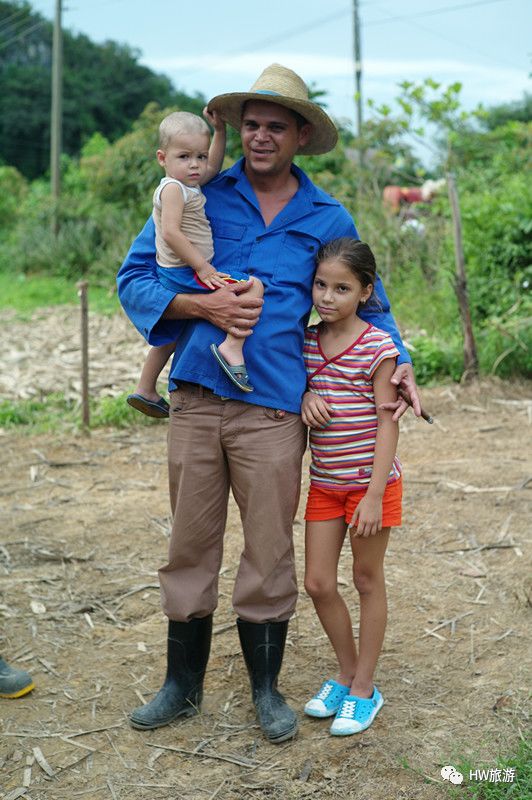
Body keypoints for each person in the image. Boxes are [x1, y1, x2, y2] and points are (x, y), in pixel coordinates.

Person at [117, 63, 421, 744]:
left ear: (299, 134)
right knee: (188, 544)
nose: (259, 136)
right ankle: (180, 685)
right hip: (196, 398)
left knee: (268, 549)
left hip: (276, 411)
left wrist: (400, 364)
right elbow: (134, 278)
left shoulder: (327, 216)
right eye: (250, 123)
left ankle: (265, 688)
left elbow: (377, 306)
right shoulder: (198, 192)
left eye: (274, 125)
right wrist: (202, 303)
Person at [301, 238, 401, 736]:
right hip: (324, 483)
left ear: (365, 292)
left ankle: (365, 687)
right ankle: (344, 670)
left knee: (366, 580)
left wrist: (375, 495)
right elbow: (297, 389)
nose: (327, 296)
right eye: (321, 284)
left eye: (342, 288)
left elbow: (389, 423)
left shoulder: (378, 347)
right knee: (317, 582)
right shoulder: (304, 343)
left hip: (369, 485)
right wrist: (302, 396)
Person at [127, 110, 264, 418]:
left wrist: (219, 132)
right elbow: (171, 233)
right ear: (162, 158)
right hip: (184, 272)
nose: (195, 165)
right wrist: (202, 267)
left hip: (182, 271)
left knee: (174, 334)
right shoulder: (173, 189)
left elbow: (214, 166)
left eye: (199, 157)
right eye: (185, 156)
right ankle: (233, 346)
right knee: (253, 286)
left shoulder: (189, 182)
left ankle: (145, 388)